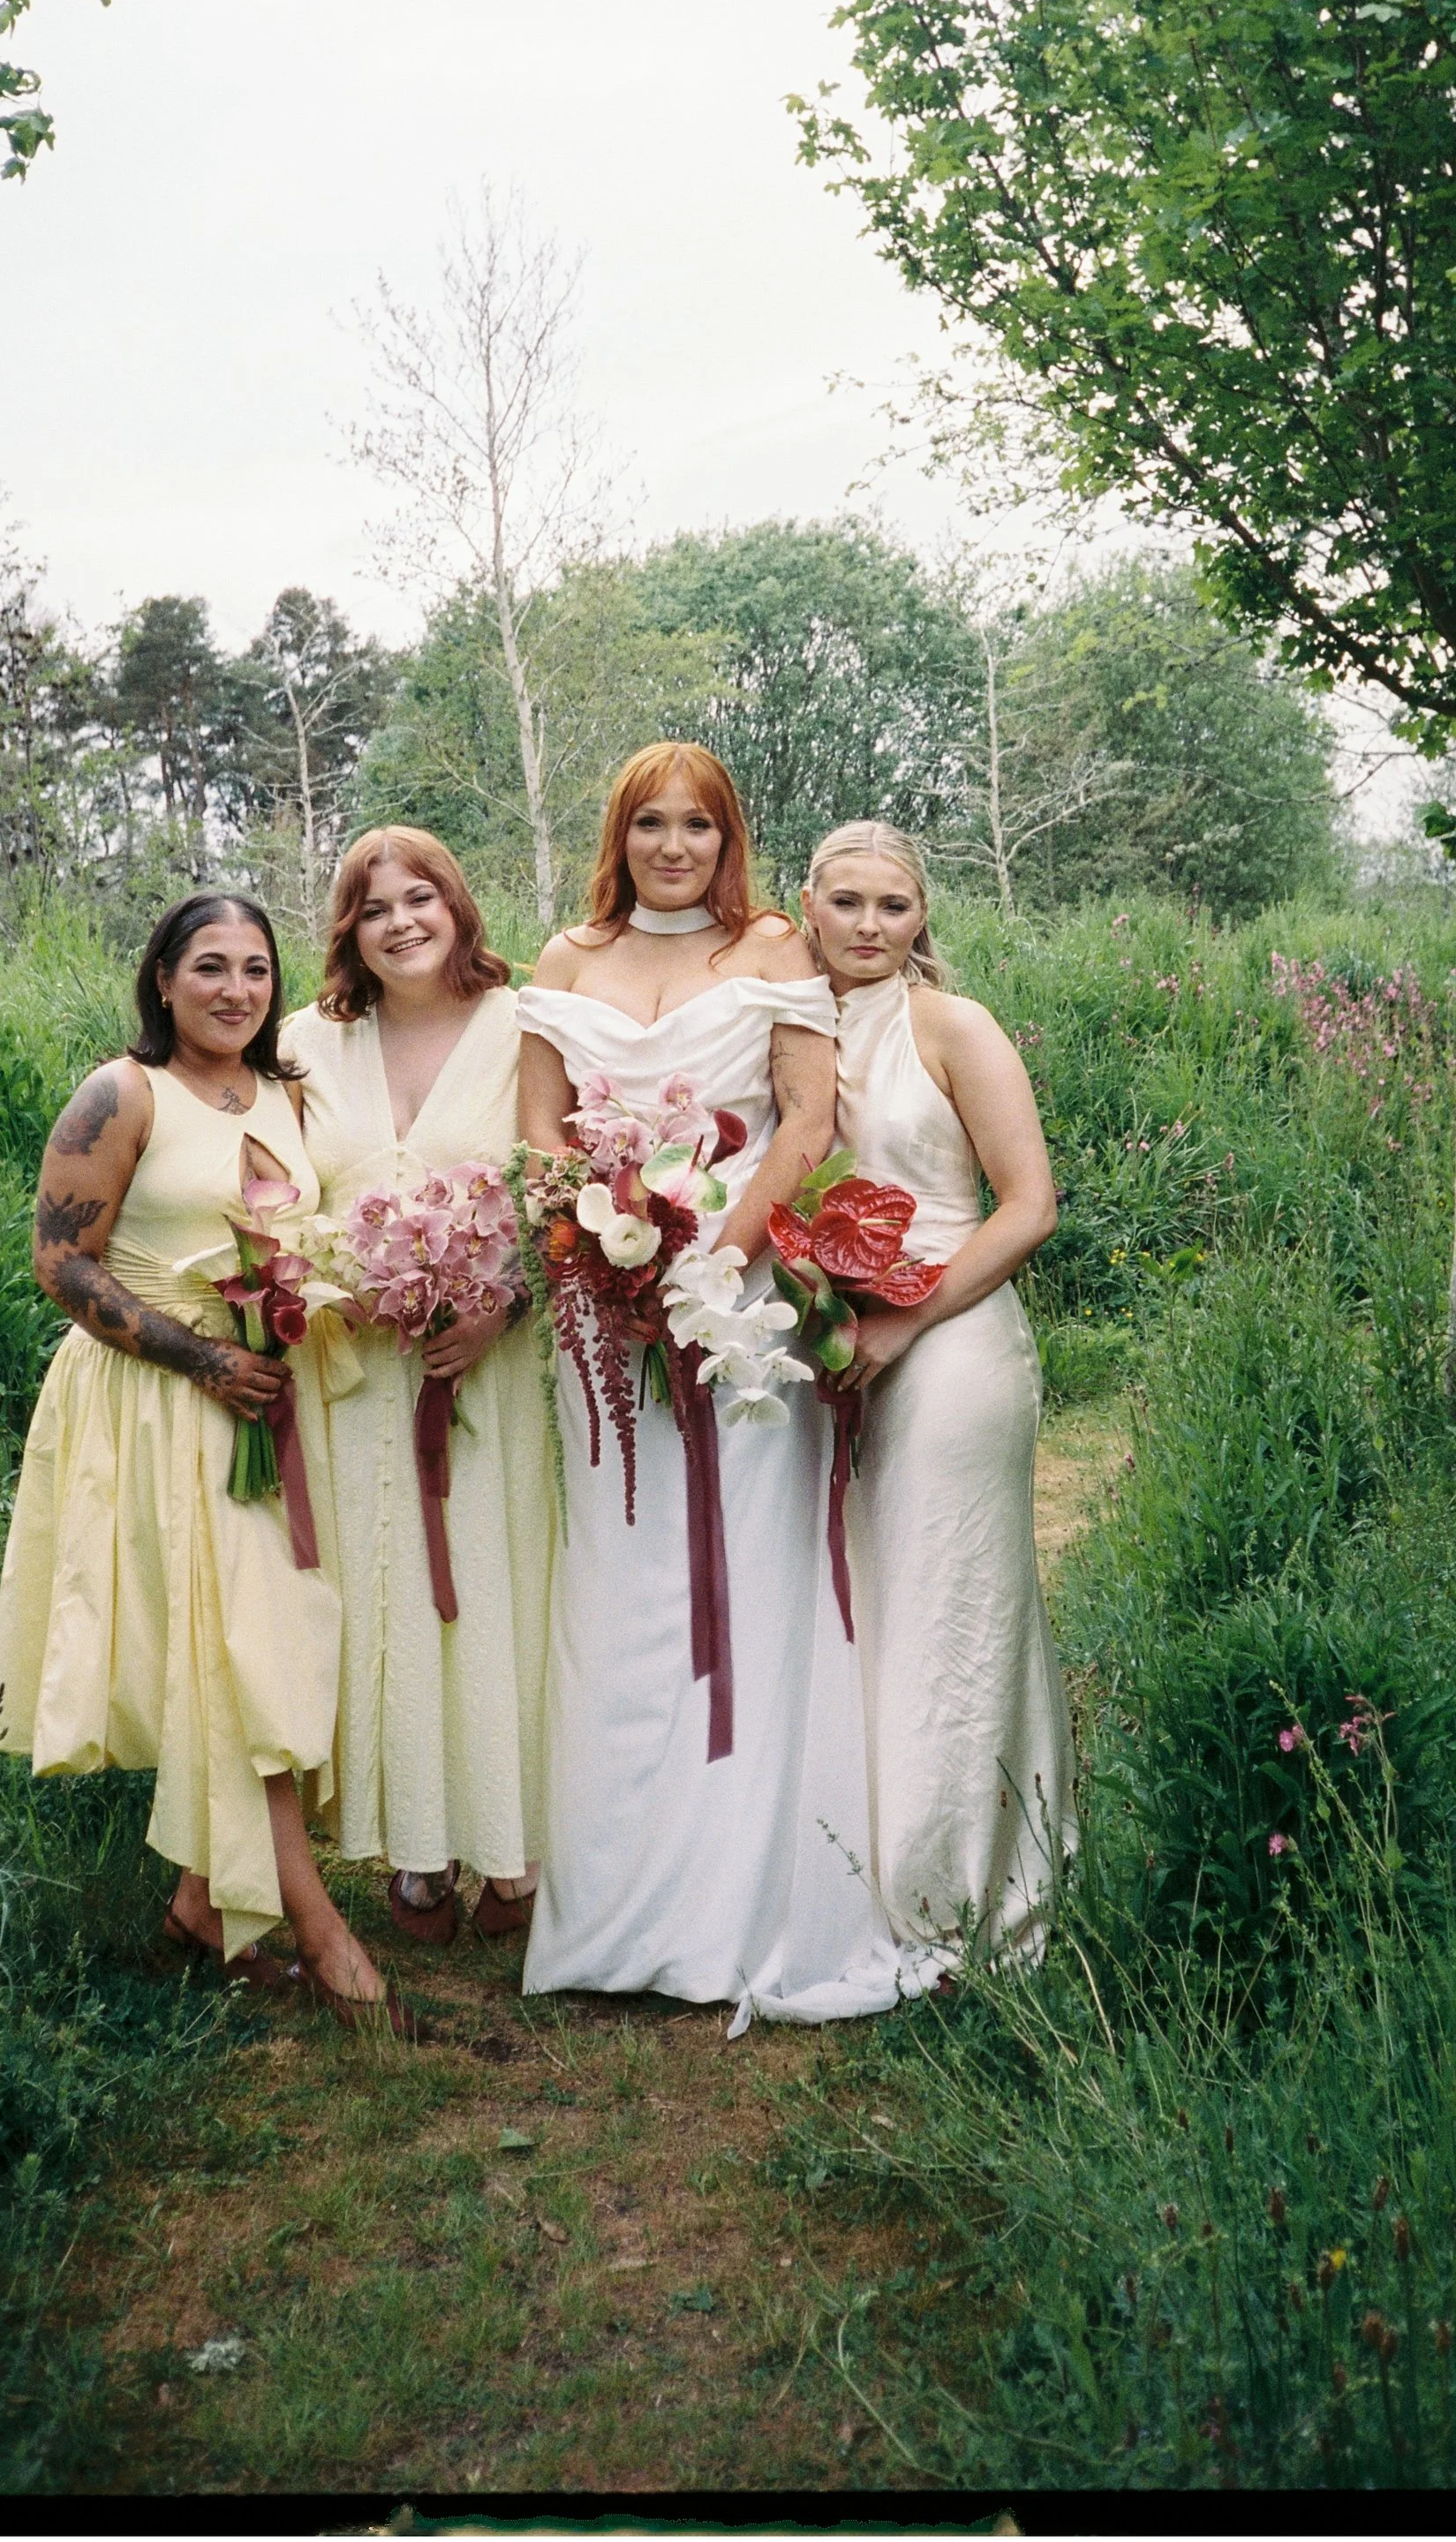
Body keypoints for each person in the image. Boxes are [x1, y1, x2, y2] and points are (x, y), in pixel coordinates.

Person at [516, 743, 930, 2027]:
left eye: (699, 823)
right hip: (606, 1310)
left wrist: (714, 1263)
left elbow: (805, 1122)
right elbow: (538, 1133)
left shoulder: (771, 952)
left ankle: (739, 1907)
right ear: (620, 831)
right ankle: (613, 1911)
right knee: (621, 1585)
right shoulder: (564, 960)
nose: (676, 844)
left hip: (739, 1310)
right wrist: (596, 1247)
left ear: (729, 833)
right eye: (652, 822)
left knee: (748, 1584)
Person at [0, 892, 406, 2033]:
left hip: (268, 1397)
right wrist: (198, 1357)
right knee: (238, 1649)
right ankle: (316, 1930)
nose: (235, 988)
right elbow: (60, 1264)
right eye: (209, 966)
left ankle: (199, 1910)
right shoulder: (124, 1093)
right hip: (157, 1398)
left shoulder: (286, 1093)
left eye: (256, 968)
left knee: (262, 1640)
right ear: (162, 978)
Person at [798, 822, 1076, 1962]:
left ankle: (959, 1894)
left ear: (923, 916)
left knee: (951, 1600)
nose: (870, 925)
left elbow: (1030, 1203)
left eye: (894, 905)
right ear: (805, 903)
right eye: (849, 901)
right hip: (826, 1340)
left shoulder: (950, 1024)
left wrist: (905, 1320)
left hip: (952, 1338)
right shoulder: (785, 1024)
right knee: (858, 1602)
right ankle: (852, 1866)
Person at [279, 829, 552, 1950]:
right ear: (349, 928)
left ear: (457, 903)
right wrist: (324, 1276)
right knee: (381, 1588)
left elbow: (571, 1185)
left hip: (491, 1358)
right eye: (374, 905)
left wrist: (506, 1298)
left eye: (421, 895)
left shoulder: (527, 1021)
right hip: (355, 1369)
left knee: (491, 1584)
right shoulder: (306, 1039)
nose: (401, 921)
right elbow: (271, 1192)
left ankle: (515, 1842)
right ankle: (416, 1848)